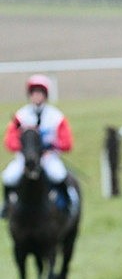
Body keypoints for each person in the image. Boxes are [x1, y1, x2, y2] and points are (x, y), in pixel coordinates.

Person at [1, 74, 76, 218]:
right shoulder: (20, 116)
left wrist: (53, 146)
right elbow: (10, 140)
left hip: (48, 156)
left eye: (40, 93)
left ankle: (67, 204)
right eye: (34, 93)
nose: (36, 96)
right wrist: (24, 148)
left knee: (58, 174)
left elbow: (67, 142)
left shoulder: (56, 116)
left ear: (45, 95)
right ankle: (6, 206)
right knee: (9, 176)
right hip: (26, 157)